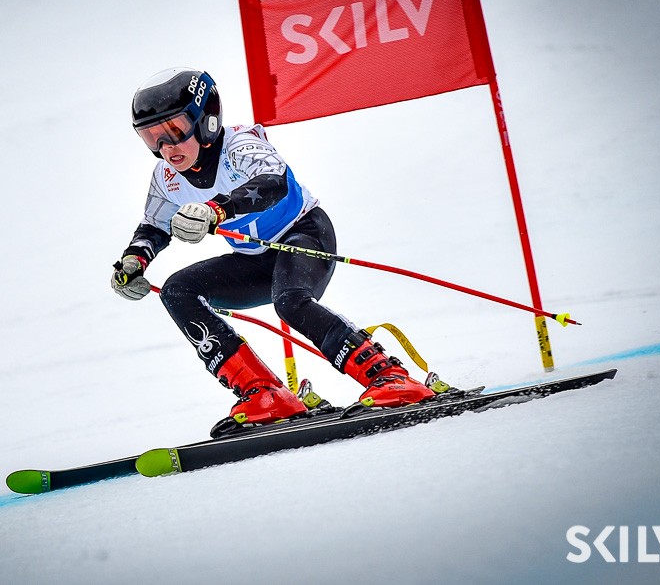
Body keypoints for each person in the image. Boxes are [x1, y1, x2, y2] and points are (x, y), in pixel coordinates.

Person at [111, 67, 433, 426]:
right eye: (151, 137)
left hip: (304, 235)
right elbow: (154, 225)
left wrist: (217, 209)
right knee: (177, 290)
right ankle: (264, 393)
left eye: (173, 130)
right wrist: (134, 261)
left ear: (206, 122)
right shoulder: (166, 177)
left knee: (290, 301)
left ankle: (389, 377)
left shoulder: (240, 145)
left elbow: (273, 183)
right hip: (256, 260)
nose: (165, 148)